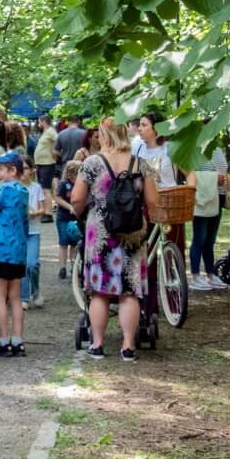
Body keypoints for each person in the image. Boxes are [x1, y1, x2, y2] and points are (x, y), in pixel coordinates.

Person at [70, 118, 160, 362]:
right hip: (132, 232)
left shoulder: (91, 163)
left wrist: (79, 212)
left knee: (99, 292)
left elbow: (77, 198)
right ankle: (128, 346)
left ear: (104, 135)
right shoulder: (141, 164)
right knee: (129, 291)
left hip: (100, 232)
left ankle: (97, 344)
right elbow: (152, 201)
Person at [0, 151, 30, 357]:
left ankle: (4, 341)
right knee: (15, 297)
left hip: (2, 249)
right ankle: (18, 340)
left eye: (1, 170)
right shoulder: (24, 191)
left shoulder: (4, 188)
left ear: (13, 171)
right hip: (19, 249)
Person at [187, 154, 229, 291]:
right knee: (200, 238)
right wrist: (213, 178)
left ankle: (210, 274)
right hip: (202, 200)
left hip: (217, 197)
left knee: (210, 240)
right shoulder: (198, 146)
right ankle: (195, 275)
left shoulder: (216, 146)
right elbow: (188, 171)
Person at [54, 151, 83, 282]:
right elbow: (58, 198)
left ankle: (74, 267)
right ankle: (62, 267)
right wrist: (69, 206)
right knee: (63, 242)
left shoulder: (80, 184)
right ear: (72, 173)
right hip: (63, 217)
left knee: (75, 242)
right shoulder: (63, 183)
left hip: (75, 217)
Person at [133, 113, 176, 186]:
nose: (139, 128)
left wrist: (189, 195)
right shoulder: (138, 148)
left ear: (156, 128)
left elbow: (190, 174)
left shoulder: (170, 148)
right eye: (140, 125)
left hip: (169, 195)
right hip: (145, 196)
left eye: (144, 125)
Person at [24, 160, 45, 306]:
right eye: (21, 168)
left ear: (32, 170)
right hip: (19, 230)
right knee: (22, 264)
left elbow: (43, 209)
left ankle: (36, 291)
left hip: (33, 230)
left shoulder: (36, 187)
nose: (23, 171)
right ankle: (24, 296)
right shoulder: (15, 187)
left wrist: (34, 213)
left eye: (26, 168)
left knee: (32, 263)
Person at [32, 117, 58, 217]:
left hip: (47, 163)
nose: (38, 124)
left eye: (39, 122)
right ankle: (45, 210)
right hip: (41, 163)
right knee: (43, 188)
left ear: (43, 122)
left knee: (46, 189)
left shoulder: (51, 131)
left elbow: (58, 140)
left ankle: (48, 213)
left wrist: (54, 152)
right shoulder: (45, 132)